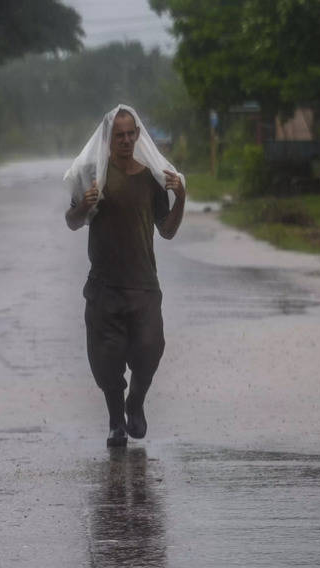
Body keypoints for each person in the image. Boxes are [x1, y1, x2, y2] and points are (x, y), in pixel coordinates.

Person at [65, 106, 185, 448]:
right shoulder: (93, 175)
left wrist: (182, 198)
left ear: (138, 134)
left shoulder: (150, 176)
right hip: (104, 286)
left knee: (150, 348)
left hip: (144, 285)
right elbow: (72, 222)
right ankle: (116, 422)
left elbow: (168, 231)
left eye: (131, 133)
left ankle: (136, 403)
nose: (127, 140)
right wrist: (83, 207)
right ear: (108, 138)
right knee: (107, 359)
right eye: (119, 135)